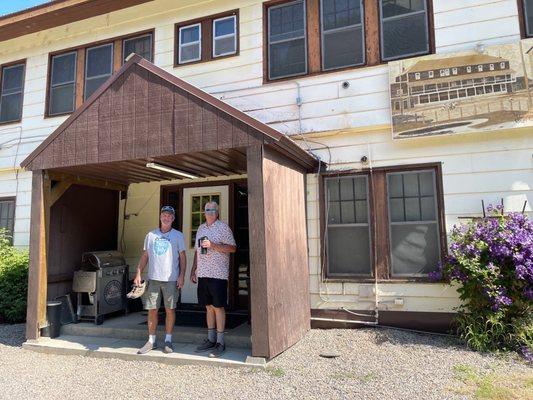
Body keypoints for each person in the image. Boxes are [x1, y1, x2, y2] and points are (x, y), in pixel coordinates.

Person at [134, 205, 186, 354]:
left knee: (170, 310)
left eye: (170, 215)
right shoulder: (151, 235)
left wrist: (182, 275)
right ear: (160, 216)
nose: (166, 217)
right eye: (164, 214)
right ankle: (151, 341)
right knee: (152, 310)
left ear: (173, 218)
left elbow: (182, 257)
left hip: (171, 279)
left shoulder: (178, 235)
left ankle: (168, 341)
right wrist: (138, 272)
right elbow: (145, 256)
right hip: (153, 278)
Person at [190, 201, 236, 358]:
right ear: (204, 212)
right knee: (208, 307)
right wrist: (193, 270)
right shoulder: (201, 228)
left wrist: (213, 245)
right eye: (207, 209)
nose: (209, 212)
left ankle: (220, 342)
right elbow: (197, 251)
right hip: (203, 273)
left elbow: (232, 248)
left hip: (218, 274)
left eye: (212, 210)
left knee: (218, 307)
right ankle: (210, 339)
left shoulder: (223, 228)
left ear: (217, 212)